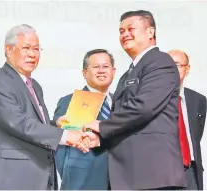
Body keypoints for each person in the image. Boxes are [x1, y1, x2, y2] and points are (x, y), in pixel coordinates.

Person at [82, 10, 186, 190]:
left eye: (131, 29)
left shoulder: (160, 62)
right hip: (132, 176)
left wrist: (102, 126)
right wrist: (99, 140)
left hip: (152, 175)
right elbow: (126, 121)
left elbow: (144, 107)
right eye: (121, 31)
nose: (125, 34)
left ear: (150, 32)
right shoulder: (127, 74)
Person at [0, 24, 89, 190]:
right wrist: (65, 135)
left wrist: (55, 124)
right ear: (9, 50)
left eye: (36, 49)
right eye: (26, 48)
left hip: (38, 177)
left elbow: (31, 122)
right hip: (11, 179)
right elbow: (18, 123)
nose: (32, 54)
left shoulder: (34, 85)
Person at [53, 49, 115, 190]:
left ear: (113, 71)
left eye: (105, 66)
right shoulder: (69, 101)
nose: (101, 71)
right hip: (83, 183)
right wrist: (72, 179)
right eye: (95, 67)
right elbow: (61, 146)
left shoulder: (125, 103)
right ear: (84, 73)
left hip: (120, 182)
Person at [167, 50, 206, 190]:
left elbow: (196, 135)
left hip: (191, 172)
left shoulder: (198, 100)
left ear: (187, 68)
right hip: (163, 173)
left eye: (176, 64)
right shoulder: (152, 100)